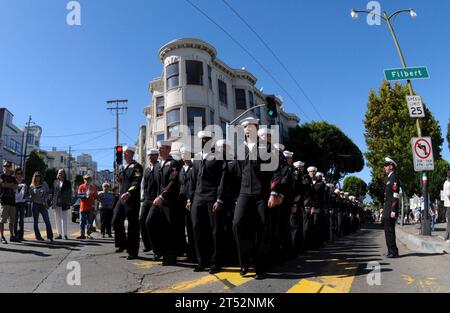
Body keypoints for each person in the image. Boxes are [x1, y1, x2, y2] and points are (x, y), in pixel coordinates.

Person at [232, 117, 284, 280]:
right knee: (238, 224)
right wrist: (235, 196)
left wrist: (274, 193)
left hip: (261, 195)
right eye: (245, 127)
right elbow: (236, 175)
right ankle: (245, 261)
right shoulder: (240, 149)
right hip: (244, 194)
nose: (248, 129)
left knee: (262, 229)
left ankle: (260, 267)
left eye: (251, 126)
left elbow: (276, 172)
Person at [190, 131, 227, 274]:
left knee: (215, 231)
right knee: (197, 229)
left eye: (206, 140)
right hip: (198, 198)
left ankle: (215, 262)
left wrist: (219, 198)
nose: (203, 142)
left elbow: (222, 179)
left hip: (212, 196)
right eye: (201, 140)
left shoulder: (218, 156)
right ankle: (201, 261)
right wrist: (190, 199)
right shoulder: (197, 158)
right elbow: (193, 180)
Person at [146, 140, 182, 266]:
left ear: (168, 149)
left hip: (169, 201)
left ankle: (170, 257)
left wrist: (162, 196)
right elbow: (154, 184)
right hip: (158, 201)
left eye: (161, 148)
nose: (158, 150)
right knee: (149, 222)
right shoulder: (157, 165)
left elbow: (172, 182)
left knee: (170, 229)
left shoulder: (174, 163)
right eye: (158, 148)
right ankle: (158, 250)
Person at [112, 146, 143, 260]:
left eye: (126, 153)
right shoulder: (122, 167)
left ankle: (133, 251)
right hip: (121, 198)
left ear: (132, 153)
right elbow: (121, 181)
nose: (124, 155)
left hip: (131, 199)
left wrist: (129, 193)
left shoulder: (137, 167)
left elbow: (136, 181)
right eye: (123, 153)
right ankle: (122, 244)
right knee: (115, 221)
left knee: (133, 226)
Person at [178, 147, 196, 262]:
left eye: (186, 153)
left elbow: (194, 184)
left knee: (191, 227)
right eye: (182, 154)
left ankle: (193, 253)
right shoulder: (181, 169)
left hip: (191, 200)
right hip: (182, 201)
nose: (184, 155)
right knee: (183, 226)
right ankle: (186, 249)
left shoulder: (194, 167)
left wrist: (190, 198)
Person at [140, 148, 159, 252]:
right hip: (147, 198)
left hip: (155, 199)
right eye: (149, 156)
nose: (150, 158)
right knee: (142, 220)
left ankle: (156, 247)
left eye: (152, 155)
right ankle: (148, 245)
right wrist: (142, 196)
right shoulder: (147, 169)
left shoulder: (159, 167)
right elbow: (143, 184)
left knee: (151, 222)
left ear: (157, 156)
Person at [382, 157, 400, 258]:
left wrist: (393, 210)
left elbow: (395, 195)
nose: (384, 167)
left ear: (391, 166)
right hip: (387, 208)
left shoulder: (394, 178)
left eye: (386, 165)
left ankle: (393, 251)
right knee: (387, 231)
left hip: (390, 209)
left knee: (390, 230)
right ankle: (390, 250)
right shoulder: (389, 178)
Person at [29, 171, 53, 242]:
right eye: (36, 176)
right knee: (35, 222)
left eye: (39, 176)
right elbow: (30, 195)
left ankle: (50, 236)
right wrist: (33, 192)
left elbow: (48, 192)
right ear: (34, 177)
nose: (38, 177)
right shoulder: (32, 185)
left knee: (47, 221)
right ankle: (38, 236)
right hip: (35, 204)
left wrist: (46, 200)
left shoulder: (44, 183)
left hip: (43, 204)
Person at [0, 161, 19, 244]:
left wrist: (7, 184)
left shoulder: (12, 177)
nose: (6, 167)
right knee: (2, 220)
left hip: (12, 201)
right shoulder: (1, 175)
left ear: (10, 167)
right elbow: (3, 185)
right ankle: (2, 237)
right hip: (4, 200)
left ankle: (12, 236)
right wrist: (10, 184)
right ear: (3, 166)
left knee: (12, 221)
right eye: (5, 166)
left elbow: (16, 186)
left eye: (8, 166)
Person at [51, 169, 72, 240]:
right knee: (57, 219)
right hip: (56, 203)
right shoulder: (55, 182)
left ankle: (65, 234)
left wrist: (68, 202)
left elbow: (69, 193)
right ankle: (59, 234)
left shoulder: (68, 183)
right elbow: (53, 193)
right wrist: (52, 201)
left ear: (64, 174)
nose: (60, 174)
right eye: (59, 173)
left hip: (64, 203)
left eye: (62, 173)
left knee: (64, 219)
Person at [77, 174, 98, 240]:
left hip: (90, 208)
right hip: (83, 207)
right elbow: (78, 195)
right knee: (82, 222)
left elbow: (96, 198)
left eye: (88, 179)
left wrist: (95, 207)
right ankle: (82, 234)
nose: (87, 180)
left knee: (90, 222)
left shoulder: (93, 188)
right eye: (85, 179)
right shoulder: (81, 186)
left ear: (90, 180)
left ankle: (89, 234)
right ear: (84, 180)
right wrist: (85, 196)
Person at [14, 168, 27, 241]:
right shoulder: (13, 181)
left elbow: (25, 191)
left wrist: (25, 189)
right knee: (15, 219)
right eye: (17, 173)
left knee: (21, 220)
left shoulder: (23, 181)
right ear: (15, 174)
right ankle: (15, 235)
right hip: (15, 203)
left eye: (20, 173)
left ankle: (21, 236)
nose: (19, 175)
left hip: (22, 202)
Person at [444, 171, 450, 242]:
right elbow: (449, 195)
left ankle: (447, 237)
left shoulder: (447, 183)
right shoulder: (447, 184)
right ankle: (446, 237)